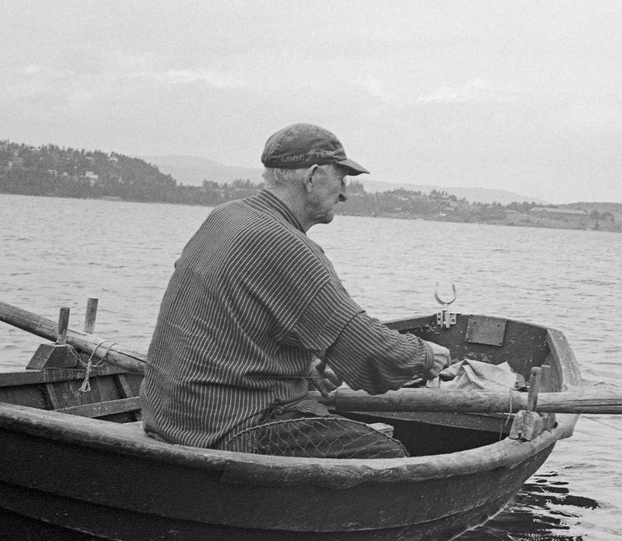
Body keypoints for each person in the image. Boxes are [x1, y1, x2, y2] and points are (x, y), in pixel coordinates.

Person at [140, 123, 450, 458]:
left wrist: (306, 364)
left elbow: (237, 319)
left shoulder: (225, 217)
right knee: (385, 454)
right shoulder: (287, 247)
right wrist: (426, 357)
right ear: (313, 176)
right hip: (228, 428)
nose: (344, 193)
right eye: (341, 179)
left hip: (166, 416)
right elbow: (367, 349)